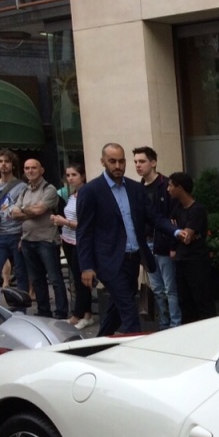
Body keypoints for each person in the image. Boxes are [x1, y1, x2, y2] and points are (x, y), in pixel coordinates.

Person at [76, 143, 156, 336]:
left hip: (133, 259)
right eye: (112, 161)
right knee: (129, 310)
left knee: (117, 310)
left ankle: (96, 345)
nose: (118, 165)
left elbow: (153, 217)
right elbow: (84, 232)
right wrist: (86, 266)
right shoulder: (91, 190)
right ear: (103, 161)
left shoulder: (135, 188)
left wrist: (177, 231)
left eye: (121, 161)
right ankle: (137, 352)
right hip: (108, 261)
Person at [9, 158, 66, 319]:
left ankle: (61, 312)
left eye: (34, 168)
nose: (30, 171)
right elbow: (13, 213)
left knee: (55, 278)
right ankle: (44, 311)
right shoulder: (24, 190)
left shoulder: (50, 189)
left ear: (41, 170)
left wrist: (23, 211)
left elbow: (39, 211)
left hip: (46, 240)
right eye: (27, 168)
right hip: (28, 240)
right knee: (37, 279)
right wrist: (28, 210)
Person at [134, 145, 181, 328]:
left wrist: (172, 245)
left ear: (153, 163)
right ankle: (164, 323)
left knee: (170, 289)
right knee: (158, 289)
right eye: (136, 162)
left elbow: (172, 217)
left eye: (142, 161)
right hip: (146, 244)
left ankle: (175, 325)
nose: (138, 165)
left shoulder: (165, 185)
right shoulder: (137, 188)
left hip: (163, 243)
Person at [162, 171, 214, 324]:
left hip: (196, 262)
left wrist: (179, 232)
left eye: (171, 186)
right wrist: (177, 233)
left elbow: (187, 237)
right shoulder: (177, 208)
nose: (168, 189)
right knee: (185, 302)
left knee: (202, 299)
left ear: (180, 188)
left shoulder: (197, 210)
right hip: (181, 261)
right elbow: (174, 232)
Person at [51, 162, 94, 329]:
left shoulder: (87, 195)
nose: (70, 178)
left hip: (80, 242)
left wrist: (64, 221)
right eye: (68, 175)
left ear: (82, 176)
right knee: (77, 279)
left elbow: (86, 223)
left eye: (74, 175)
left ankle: (80, 315)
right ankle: (85, 313)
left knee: (82, 279)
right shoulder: (72, 195)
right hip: (68, 240)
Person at [0, 148, 29, 306]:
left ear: (13, 165)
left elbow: (26, 210)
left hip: (17, 233)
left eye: (7, 161)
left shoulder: (22, 186)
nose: (3, 165)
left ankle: (20, 307)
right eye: (0, 162)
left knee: (21, 274)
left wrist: (24, 236)